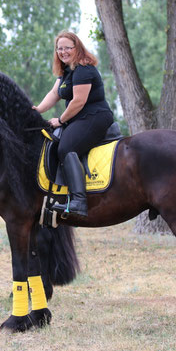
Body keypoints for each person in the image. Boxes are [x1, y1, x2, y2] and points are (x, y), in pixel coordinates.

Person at [32, 31, 114, 217]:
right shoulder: (66, 73)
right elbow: (54, 94)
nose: (63, 52)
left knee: (66, 148)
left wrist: (60, 120)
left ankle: (79, 201)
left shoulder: (84, 69)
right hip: (79, 118)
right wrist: (37, 111)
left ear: (76, 48)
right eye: (59, 48)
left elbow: (78, 101)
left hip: (94, 116)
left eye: (67, 48)